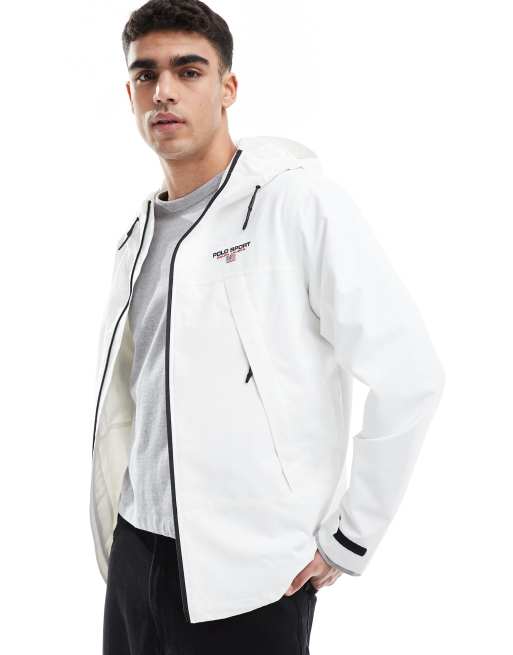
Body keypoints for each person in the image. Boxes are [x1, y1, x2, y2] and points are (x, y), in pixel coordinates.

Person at [90, 1, 446, 653]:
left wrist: (351, 536)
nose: (163, 91)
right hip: (137, 555)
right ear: (130, 93)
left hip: (252, 576)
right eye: (145, 74)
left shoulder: (294, 203)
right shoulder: (136, 235)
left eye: (188, 71)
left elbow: (410, 373)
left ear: (227, 88)